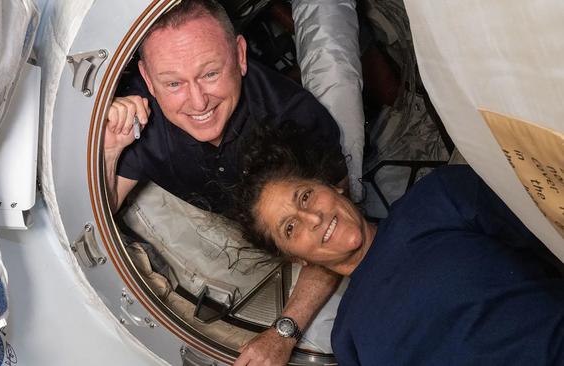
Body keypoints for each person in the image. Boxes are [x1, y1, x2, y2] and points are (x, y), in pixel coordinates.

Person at [103, 0, 348, 364]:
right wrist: (109, 149)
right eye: (173, 83)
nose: (197, 101)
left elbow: (337, 234)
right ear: (149, 80)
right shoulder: (141, 115)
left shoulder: (294, 120)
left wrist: (284, 331)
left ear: (240, 55)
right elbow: (102, 210)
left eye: (210, 74)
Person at [232, 127, 564, 365]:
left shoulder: (437, 199)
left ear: (334, 186)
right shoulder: (347, 338)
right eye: (291, 228)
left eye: (305, 196)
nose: (312, 218)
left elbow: (549, 236)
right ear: (296, 258)